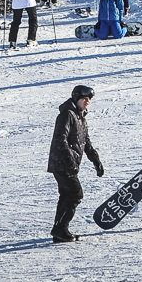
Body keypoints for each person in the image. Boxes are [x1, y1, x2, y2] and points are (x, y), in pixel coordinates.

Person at [47, 84, 104, 243]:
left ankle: (59, 231)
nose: (87, 101)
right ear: (76, 98)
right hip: (62, 163)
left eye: (89, 99)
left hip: (67, 164)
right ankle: (60, 229)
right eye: (84, 98)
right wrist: (70, 159)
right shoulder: (67, 115)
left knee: (67, 196)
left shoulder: (81, 118)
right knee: (75, 194)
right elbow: (60, 139)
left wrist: (96, 160)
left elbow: (86, 143)